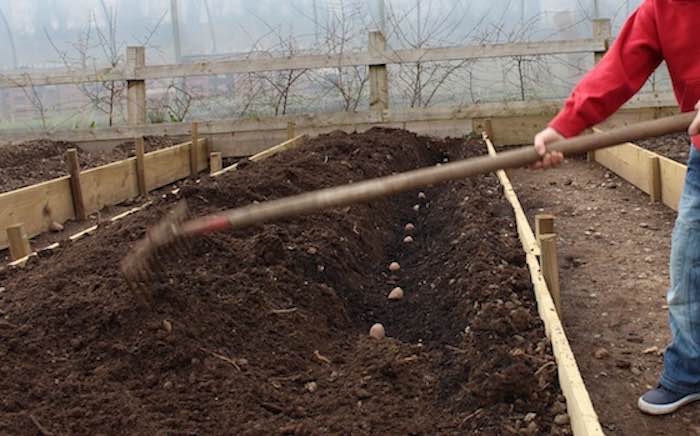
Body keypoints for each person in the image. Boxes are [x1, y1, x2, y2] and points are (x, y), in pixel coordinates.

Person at [532, 0, 700, 416]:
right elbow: (619, 68)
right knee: (689, 266)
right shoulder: (660, 9)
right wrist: (564, 126)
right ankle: (688, 372)